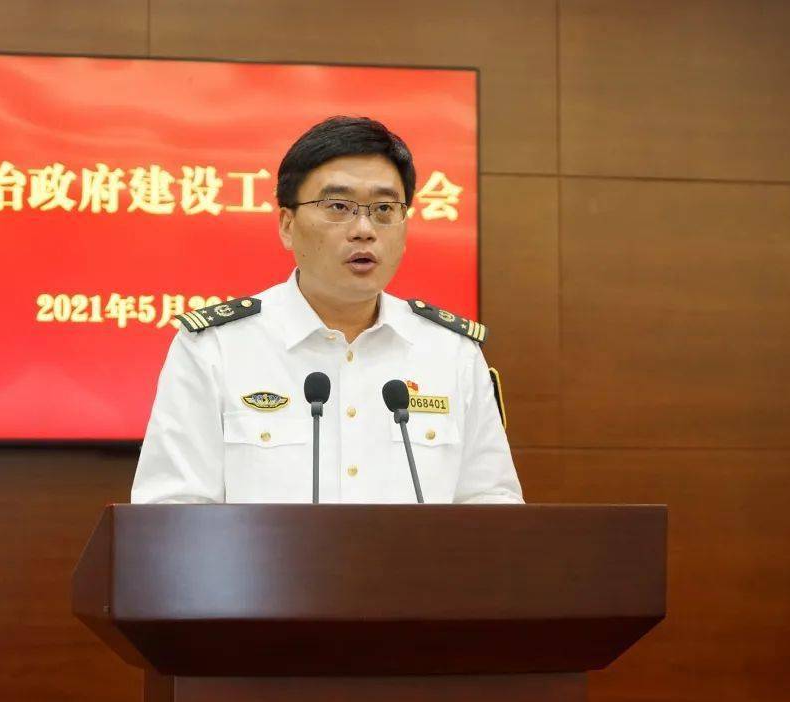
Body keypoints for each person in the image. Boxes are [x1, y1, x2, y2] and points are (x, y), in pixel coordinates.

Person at [130, 116, 523, 504]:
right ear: (287, 225)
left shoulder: (451, 353)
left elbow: (492, 503)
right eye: (338, 206)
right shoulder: (215, 348)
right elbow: (170, 508)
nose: (364, 229)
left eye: (384, 209)